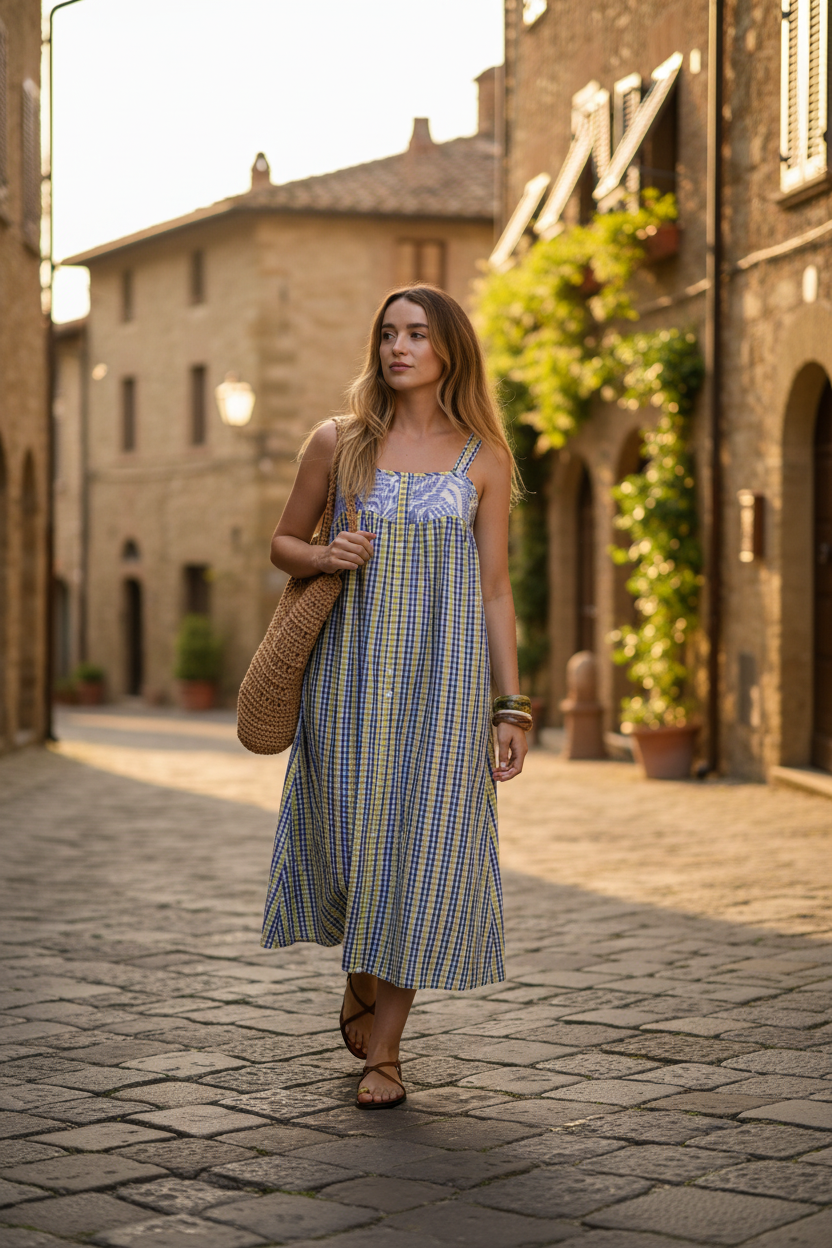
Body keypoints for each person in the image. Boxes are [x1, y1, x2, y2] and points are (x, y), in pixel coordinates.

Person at [261, 284, 531, 1108]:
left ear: (450, 348)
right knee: (349, 845)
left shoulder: (483, 458)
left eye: (416, 334)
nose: (398, 348)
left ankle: (386, 1053)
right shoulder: (337, 443)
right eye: (387, 334)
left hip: (444, 692)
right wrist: (324, 555)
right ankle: (362, 971)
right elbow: (281, 543)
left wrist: (512, 705)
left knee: (421, 854)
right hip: (344, 684)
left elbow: (494, 590)